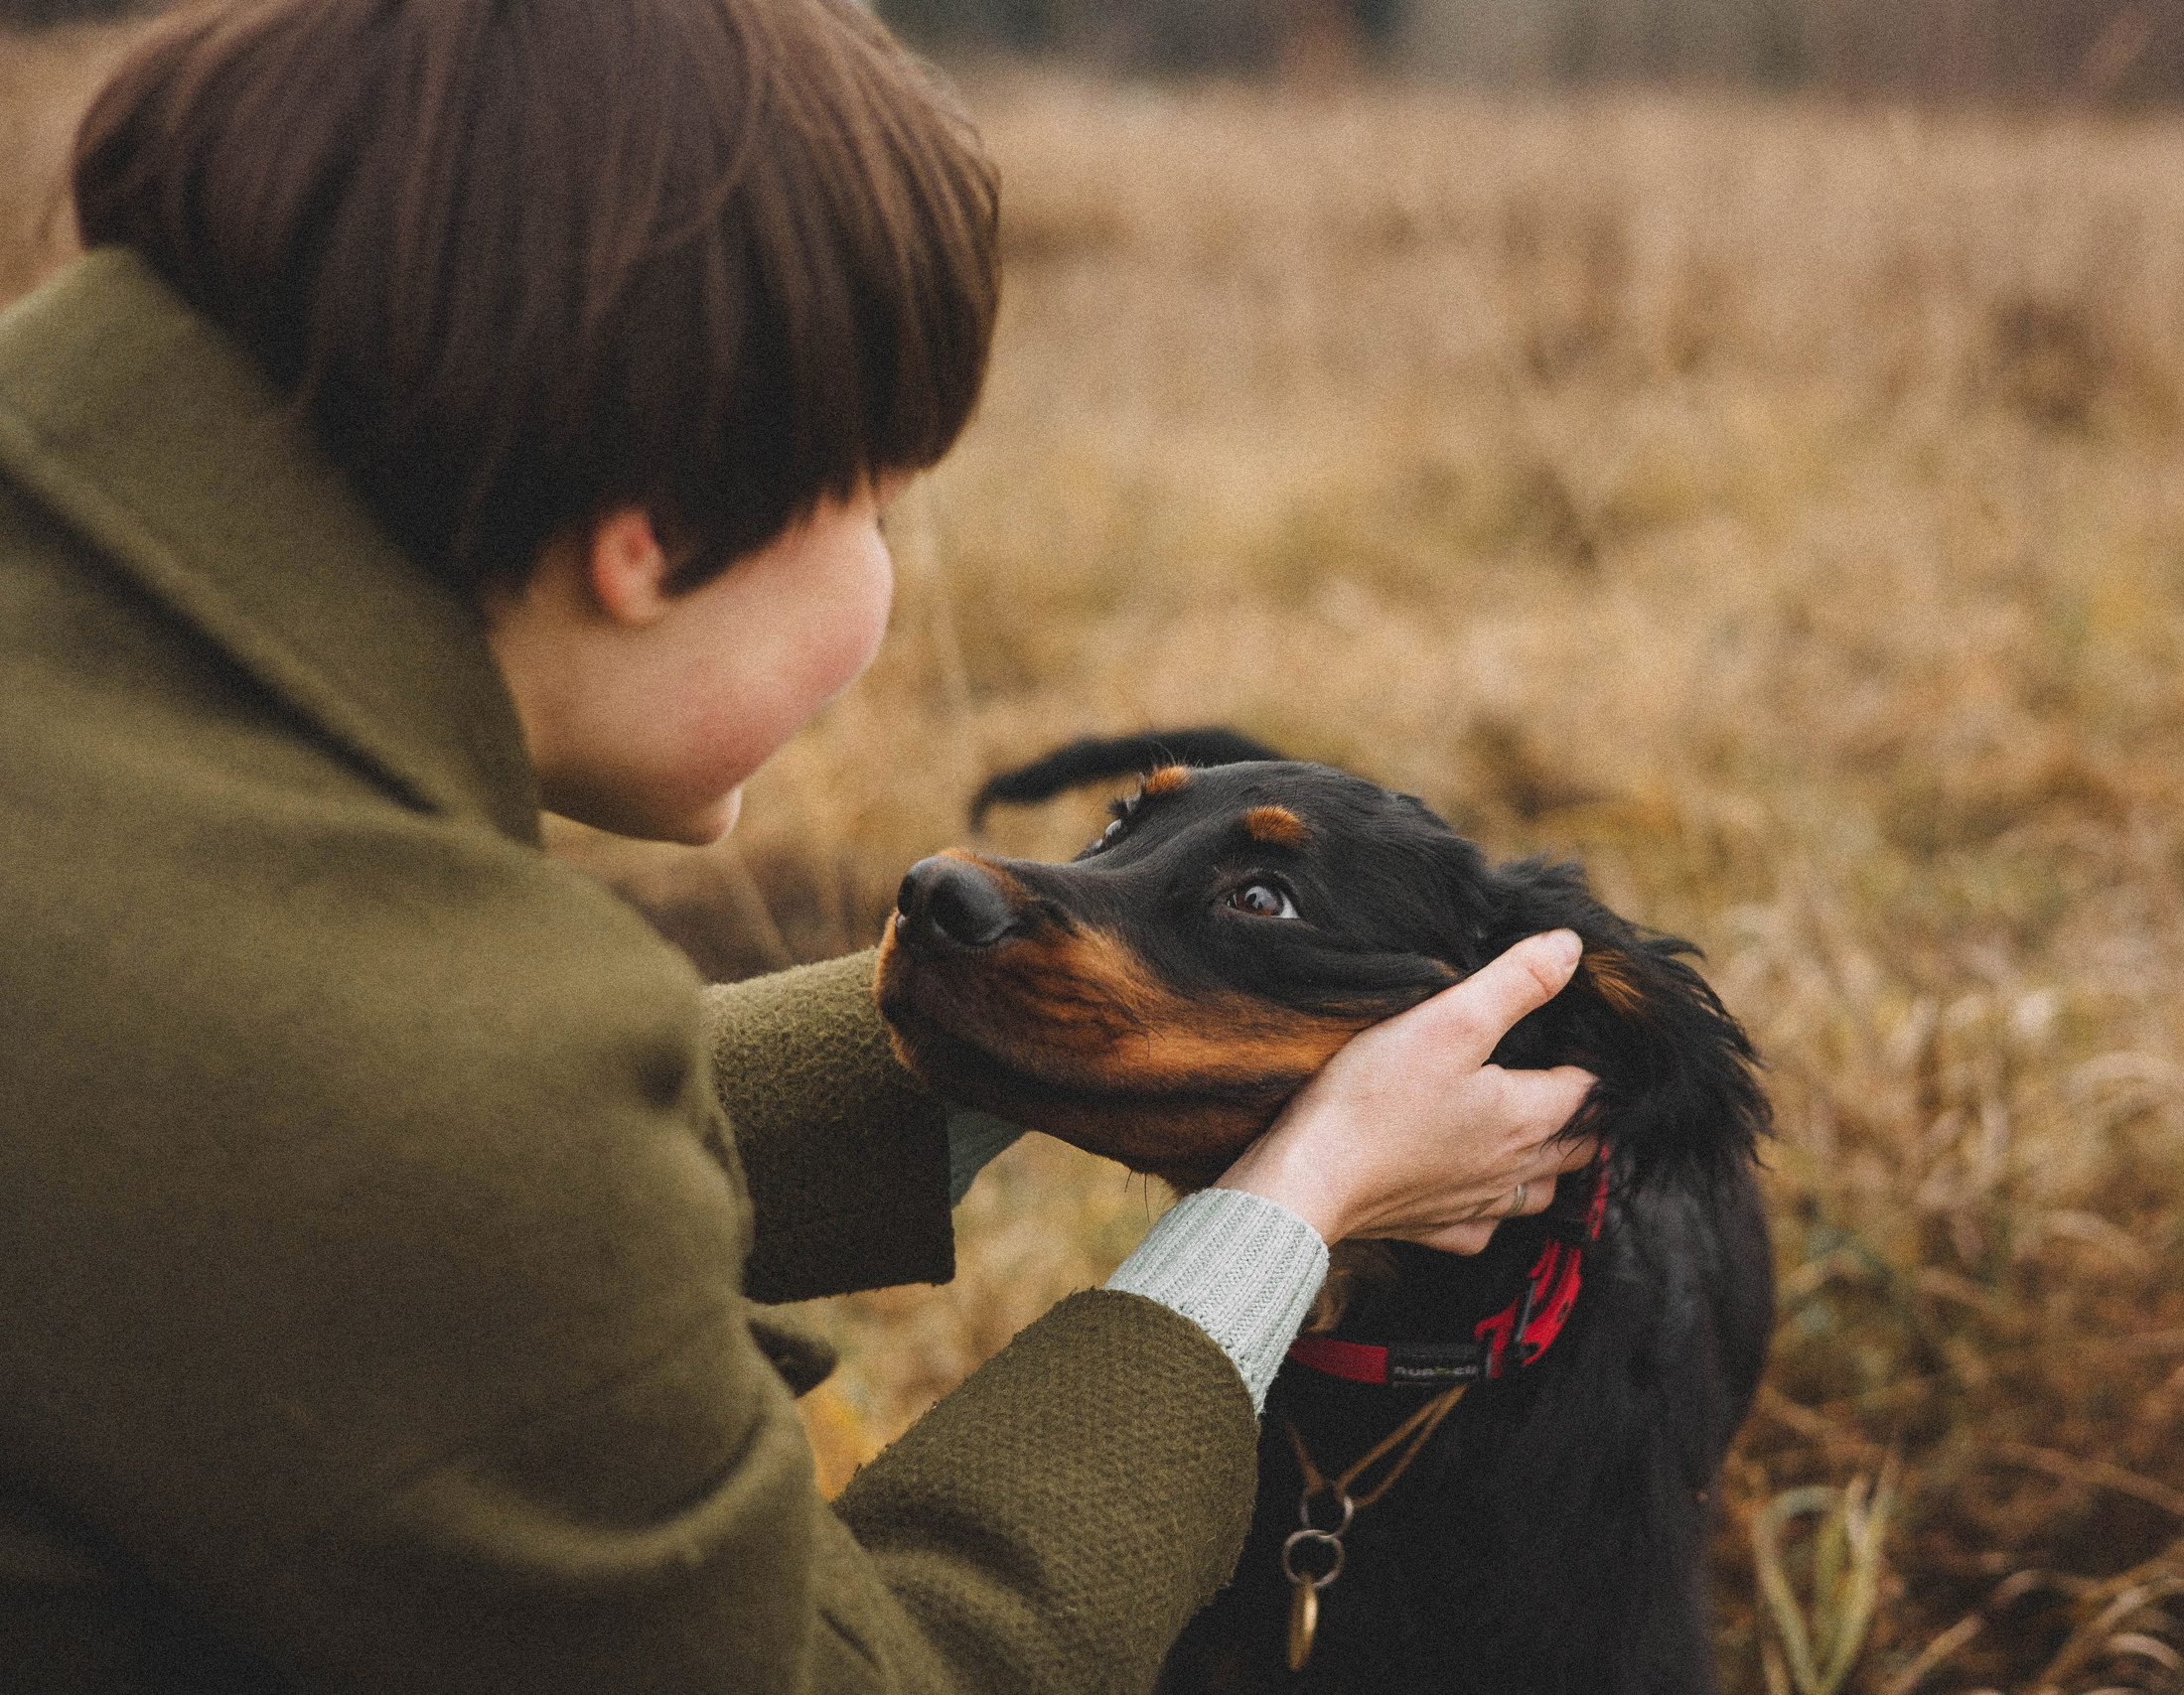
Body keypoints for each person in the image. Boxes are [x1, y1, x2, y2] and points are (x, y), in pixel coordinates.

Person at [0, 0, 1597, 1689]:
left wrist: (1018, 1023)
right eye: (881, 504)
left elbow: (294, 1167)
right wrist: (1290, 1211)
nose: (888, 575)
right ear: (664, 527)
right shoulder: (437, 1095)